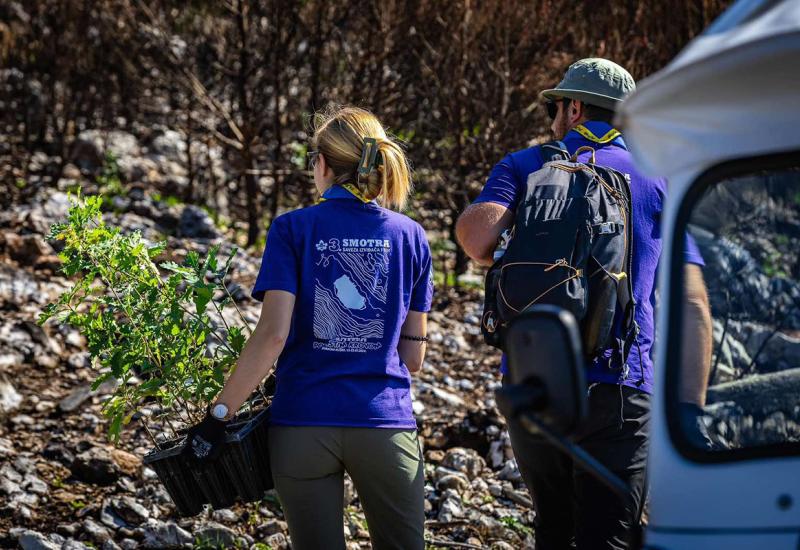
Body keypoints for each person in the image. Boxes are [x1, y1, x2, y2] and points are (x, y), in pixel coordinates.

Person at [455, 58, 712, 549]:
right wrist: (689, 413)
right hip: (622, 386)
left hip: (534, 384)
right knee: (609, 536)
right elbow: (694, 305)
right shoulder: (662, 179)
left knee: (553, 528)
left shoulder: (526, 164)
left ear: (574, 108)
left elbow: (475, 239)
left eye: (557, 106)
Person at [184, 106, 434, 550]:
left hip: (302, 424)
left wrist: (217, 416)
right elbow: (412, 358)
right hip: (383, 424)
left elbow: (273, 336)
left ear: (321, 164)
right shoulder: (410, 235)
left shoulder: (292, 229)